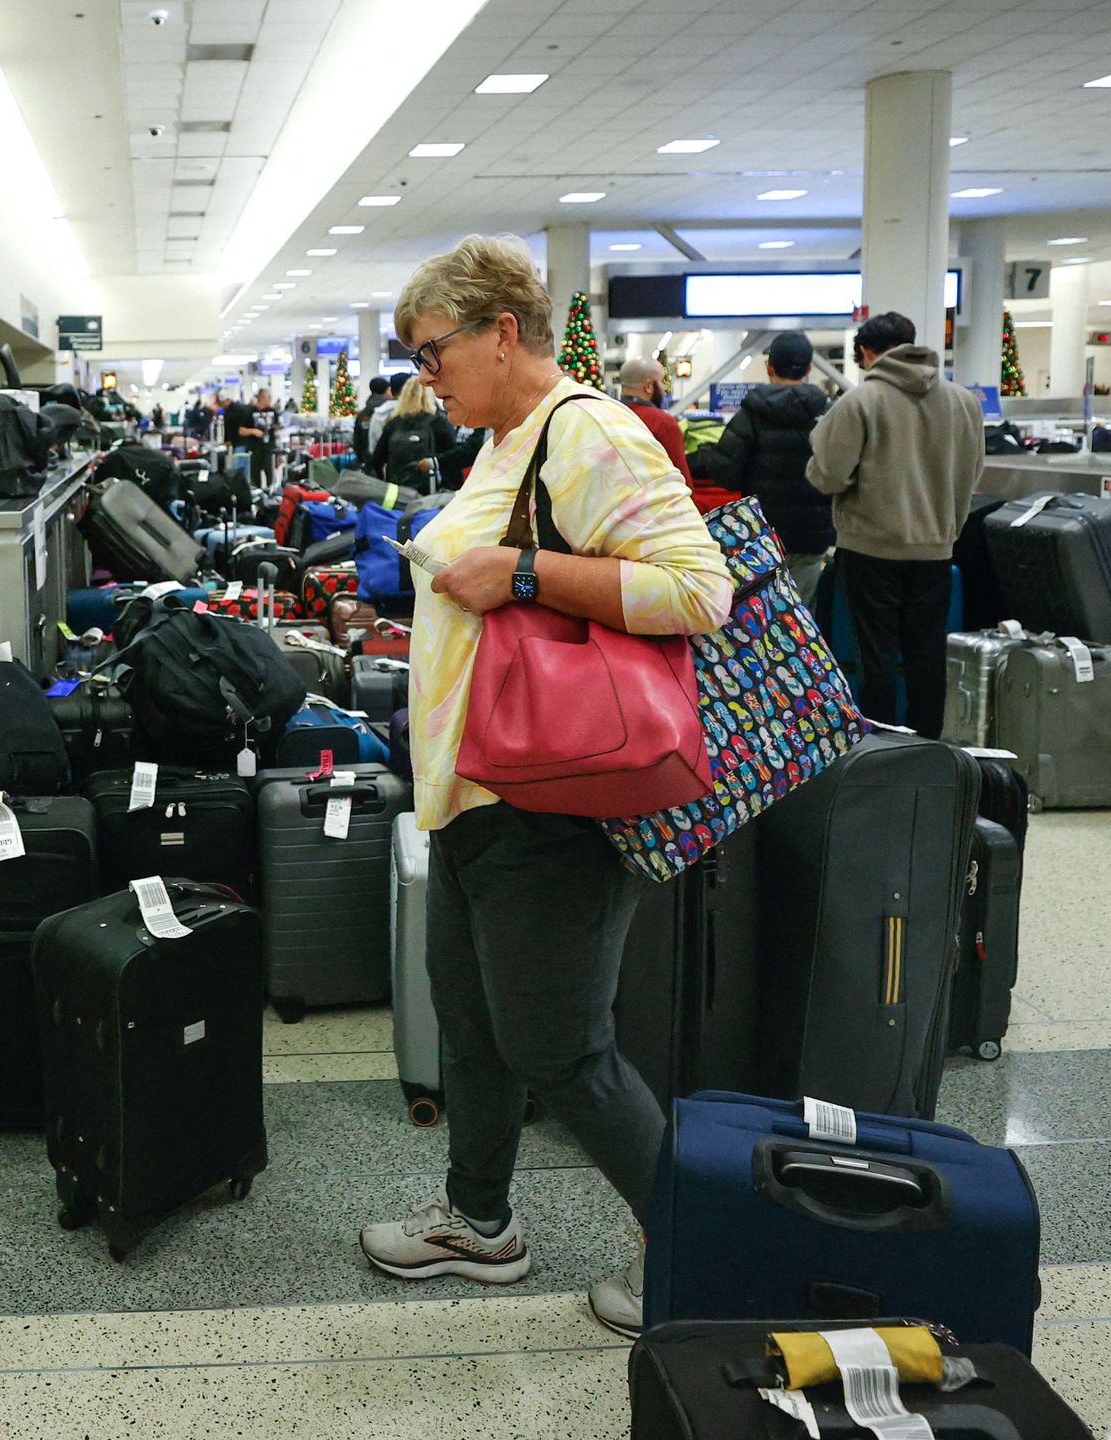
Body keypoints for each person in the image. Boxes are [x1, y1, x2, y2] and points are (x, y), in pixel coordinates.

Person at [361, 234, 732, 1337]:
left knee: (563, 1052)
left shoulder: (590, 432)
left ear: (502, 332)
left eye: (434, 355)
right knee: (471, 1024)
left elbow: (697, 591)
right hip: (478, 796)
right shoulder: (505, 439)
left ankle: (703, 1254)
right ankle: (480, 1224)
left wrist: (522, 571)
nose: (427, 380)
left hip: (553, 805)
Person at [806, 311, 983, 738]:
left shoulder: (861, 402)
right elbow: (974, 471)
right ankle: (929, 747)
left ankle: (882, 749)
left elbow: (827, 474)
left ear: (867, 352)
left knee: (875, 657)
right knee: (927, 655)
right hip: (936, 551)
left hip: (870, 549)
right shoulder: (962, 401)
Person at [701, 333, 833, 602]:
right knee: (805, 609)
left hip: (762, 531)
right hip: (813, 532)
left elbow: (725, 473)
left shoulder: (750, 415)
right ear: (809, 369)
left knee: (765, 611)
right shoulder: (826, 414)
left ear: (769, 367)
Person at [370, 378, 458, 491]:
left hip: (398, 493)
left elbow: (377, 460)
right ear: (429, 396)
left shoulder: (393, 424)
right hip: (431, 494)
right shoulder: (439, 423)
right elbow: (452, 459)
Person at [616, 358, 692, 483]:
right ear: (649, 386)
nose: (664, 388)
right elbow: (682, 480)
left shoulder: (606, 415)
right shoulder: (663, 424)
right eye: (662, 381)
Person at [225, 387, 277, 487]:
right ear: (262, 398)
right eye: (268, 397)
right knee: (255, 474)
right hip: (255, 448)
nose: (270, 400)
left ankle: (271, 492)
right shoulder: (250, 412)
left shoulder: (273, 411)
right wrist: (253, 431)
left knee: (269, 472)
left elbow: (275, 426)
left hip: (268, 448)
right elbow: (241, 431)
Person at [367, 372, 410, 467]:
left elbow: (372, 447)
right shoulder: (414, 413)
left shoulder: (379, 413)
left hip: (385, 468)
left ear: (391, 390)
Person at [353, 375, 392, 461]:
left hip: (368, 460)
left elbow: (357, 441)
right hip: (387, 461)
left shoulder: (362, 414)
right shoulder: (391, 411)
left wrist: (362, 459)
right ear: (386, 390)